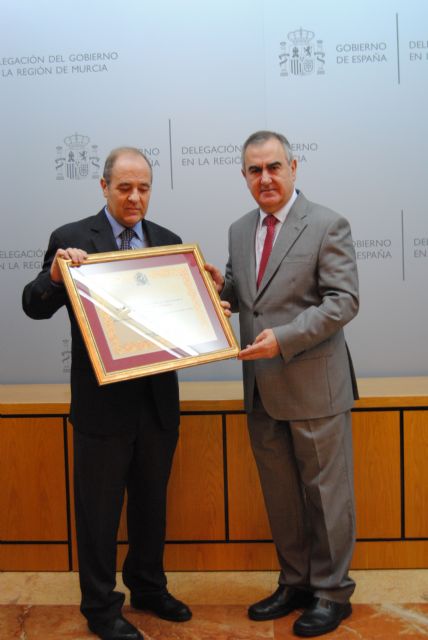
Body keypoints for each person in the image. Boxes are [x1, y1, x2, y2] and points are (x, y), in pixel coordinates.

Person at [22, 147, 192, 640]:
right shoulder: (72, 239)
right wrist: (55, 275)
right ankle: (100, 606)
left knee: (150, 504)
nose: (135, 197)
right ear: (103, 187)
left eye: (143, 188)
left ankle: (148, 586)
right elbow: (33, 305)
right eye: (124, 188)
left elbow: (180, 319)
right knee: (98, 512)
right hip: (101, 408)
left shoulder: (169, 243)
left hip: (157, 403)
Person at [206, 130, 359, 637]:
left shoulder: (327, 223)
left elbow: (343, 301)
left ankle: (333, 592)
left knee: (326, 497)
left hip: (315, 387)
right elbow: (246, 293)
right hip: (261, 388)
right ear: (245, 176)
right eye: (255, 170)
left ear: (294, 167)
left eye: (274, 167)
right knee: (282, 496)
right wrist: (215, 287)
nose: (265, 178)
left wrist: (285, 338)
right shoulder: (237, 229)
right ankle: (295, 582)